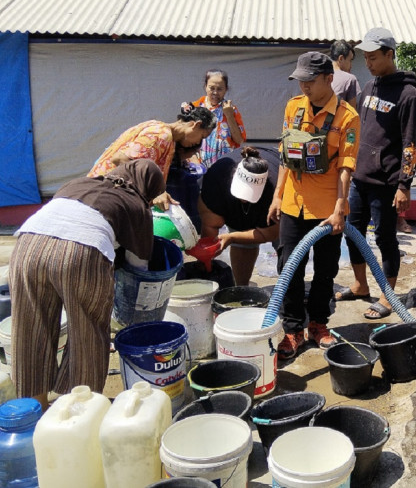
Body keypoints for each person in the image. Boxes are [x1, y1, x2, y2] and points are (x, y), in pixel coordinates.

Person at [8, 159, 165, 409]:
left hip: (28, 245)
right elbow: (139, 268)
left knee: (30, 329)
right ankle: (79, 412)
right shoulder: (136, 204)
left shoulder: (78, 182)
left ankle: (32, 410)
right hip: (80, 252)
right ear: (148, 188)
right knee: (87, 333)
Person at [267, 51, 360, 360]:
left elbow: (346, 166)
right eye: (300, 80)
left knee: (325, 270)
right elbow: (285, 155)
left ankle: (318, 324)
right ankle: (293, 330)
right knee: (288, 267)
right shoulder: (293, 108)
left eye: (309, 80)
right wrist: (278, 195)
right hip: (294, 203)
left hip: (327, 209)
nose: (303, 86)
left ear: (328, 79)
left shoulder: (348, 117)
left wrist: (339, 208)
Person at [335, 27, 416, 320]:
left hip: (386, 183)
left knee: (385, 239)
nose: (368, 62)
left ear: (389, 54)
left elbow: (410, 144)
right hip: (360, 178)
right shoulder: (369, 88)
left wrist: (404, 185)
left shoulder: (408, 95)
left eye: (373, 57)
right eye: (366, 57)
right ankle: (360, 285)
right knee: (354, 234)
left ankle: (387, 295)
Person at [87, 106, 216, 208]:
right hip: (103, 195)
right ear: (196, 125)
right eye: (202, 136)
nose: (199, 142)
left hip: (102, 194)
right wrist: (155, 192)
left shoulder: (162, 131)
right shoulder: (161, 135)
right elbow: (120, 159)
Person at [198, 146, 280, 286]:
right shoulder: (216, 179)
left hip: (272, 200)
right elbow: (210, 224)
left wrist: (231, 237)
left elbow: (271, 233)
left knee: (286, 248)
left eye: (250, 195)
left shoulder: (275, 189)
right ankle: (241, 288)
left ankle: (290, 290)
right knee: (241, 240)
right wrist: (208, 254)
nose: (244, 199)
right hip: (225, 193)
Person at [191, 69, 247, 168]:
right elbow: (186, 139)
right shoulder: (195, 108)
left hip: (225, 167)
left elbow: (239, 140)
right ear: (205, 87)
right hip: (200, 167)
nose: (215, 93)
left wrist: (229, 115)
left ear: (226, 89)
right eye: (211, 88)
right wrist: (194, 161)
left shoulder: (231, 109)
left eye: (220, 89)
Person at [329, 40, 361, 109]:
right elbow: (352, 112)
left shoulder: (319, 75)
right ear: (341, 59)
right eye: (350, 60)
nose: (351, 66)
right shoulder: (350, 79)